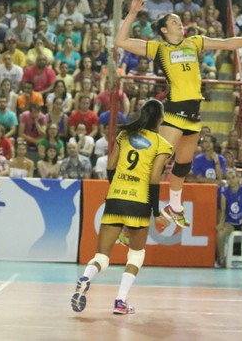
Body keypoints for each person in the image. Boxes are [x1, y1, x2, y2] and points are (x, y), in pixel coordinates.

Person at [115, 0, 242, 227]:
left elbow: (228, 43)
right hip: (174, 113)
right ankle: (141, 208)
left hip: (193, 115)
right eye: (173, 21)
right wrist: (132, 13)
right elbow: (121, 42)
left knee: (183, 165)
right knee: (157, 164)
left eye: (179, 21)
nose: (179, 23)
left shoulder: (194, 42)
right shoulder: (159, 48)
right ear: (163, 30)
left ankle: (175, 206)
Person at [71, 99, 172, 315]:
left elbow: (110, 165)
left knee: (102, 256)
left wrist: (117, 188)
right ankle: (120, 301)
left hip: (115, 197)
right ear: (160, 119)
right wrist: (156, 211)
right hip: (140, 202)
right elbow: (155, 178)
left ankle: (86, 277)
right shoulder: (162, 144)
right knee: (136, 254)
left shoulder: (124, 135)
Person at [215, 169, 242, 268]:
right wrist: (220, 223)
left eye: (233, 178)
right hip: (230, 223)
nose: (231, 181)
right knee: (220, 233)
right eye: (228, 179)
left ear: (237, 179)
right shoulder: (224, 193)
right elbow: (223, 210)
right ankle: (222, 259)